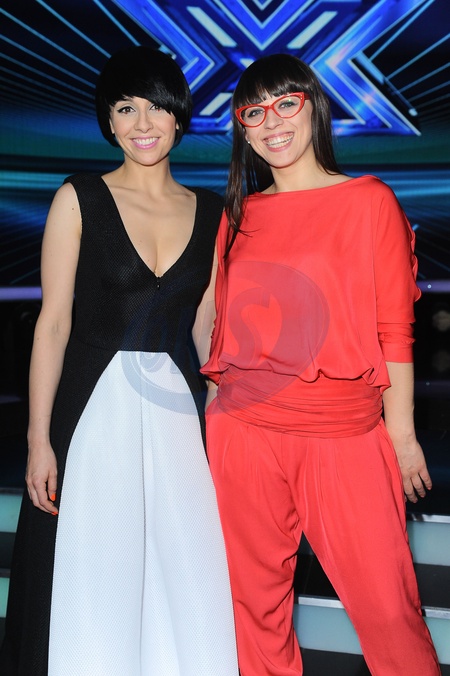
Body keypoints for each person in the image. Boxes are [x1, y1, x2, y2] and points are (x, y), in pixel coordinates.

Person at [0, 46, 238, 676]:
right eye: (126, 108)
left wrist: (223, 427)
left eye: (157, 107)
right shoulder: (78, 198)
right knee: (92, 567)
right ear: (108, 120)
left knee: (185, 565)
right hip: (91, 412)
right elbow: (53, 324)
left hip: (177, 417)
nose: (143, 123)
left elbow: (208, 330)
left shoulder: (213, 212)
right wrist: (38, 440)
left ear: (179, 116)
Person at [201, 53, 441, 675]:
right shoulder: (239, 215)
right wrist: (211, 421)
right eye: (254, 112)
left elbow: (395, 330)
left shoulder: (369, 202)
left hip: (343, 433)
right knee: (252, 607)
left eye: (287, 103)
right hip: (243, 432)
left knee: (388, 608)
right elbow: (223, 326)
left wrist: (402, 434)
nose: (272, 122)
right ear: (241, 128)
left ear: (314, 107)